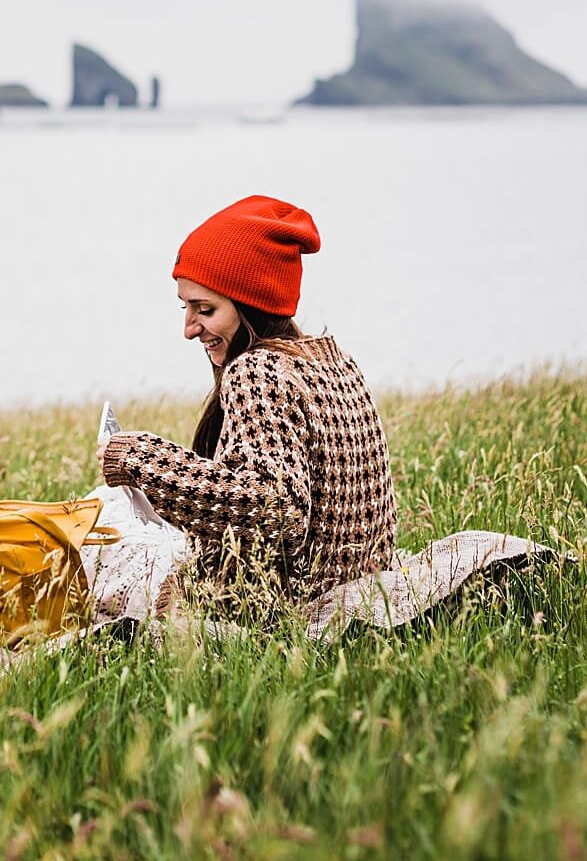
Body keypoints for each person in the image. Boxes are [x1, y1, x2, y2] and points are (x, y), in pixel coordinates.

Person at [98, 195, 397, 605]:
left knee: (97, 527)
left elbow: (273, 509)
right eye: (185, 307)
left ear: (251, 305)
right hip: (349, 582)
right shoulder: (334, 362)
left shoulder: (258, 371)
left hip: (286, 601)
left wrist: (138, 458)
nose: (189, 329)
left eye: (205, 309)